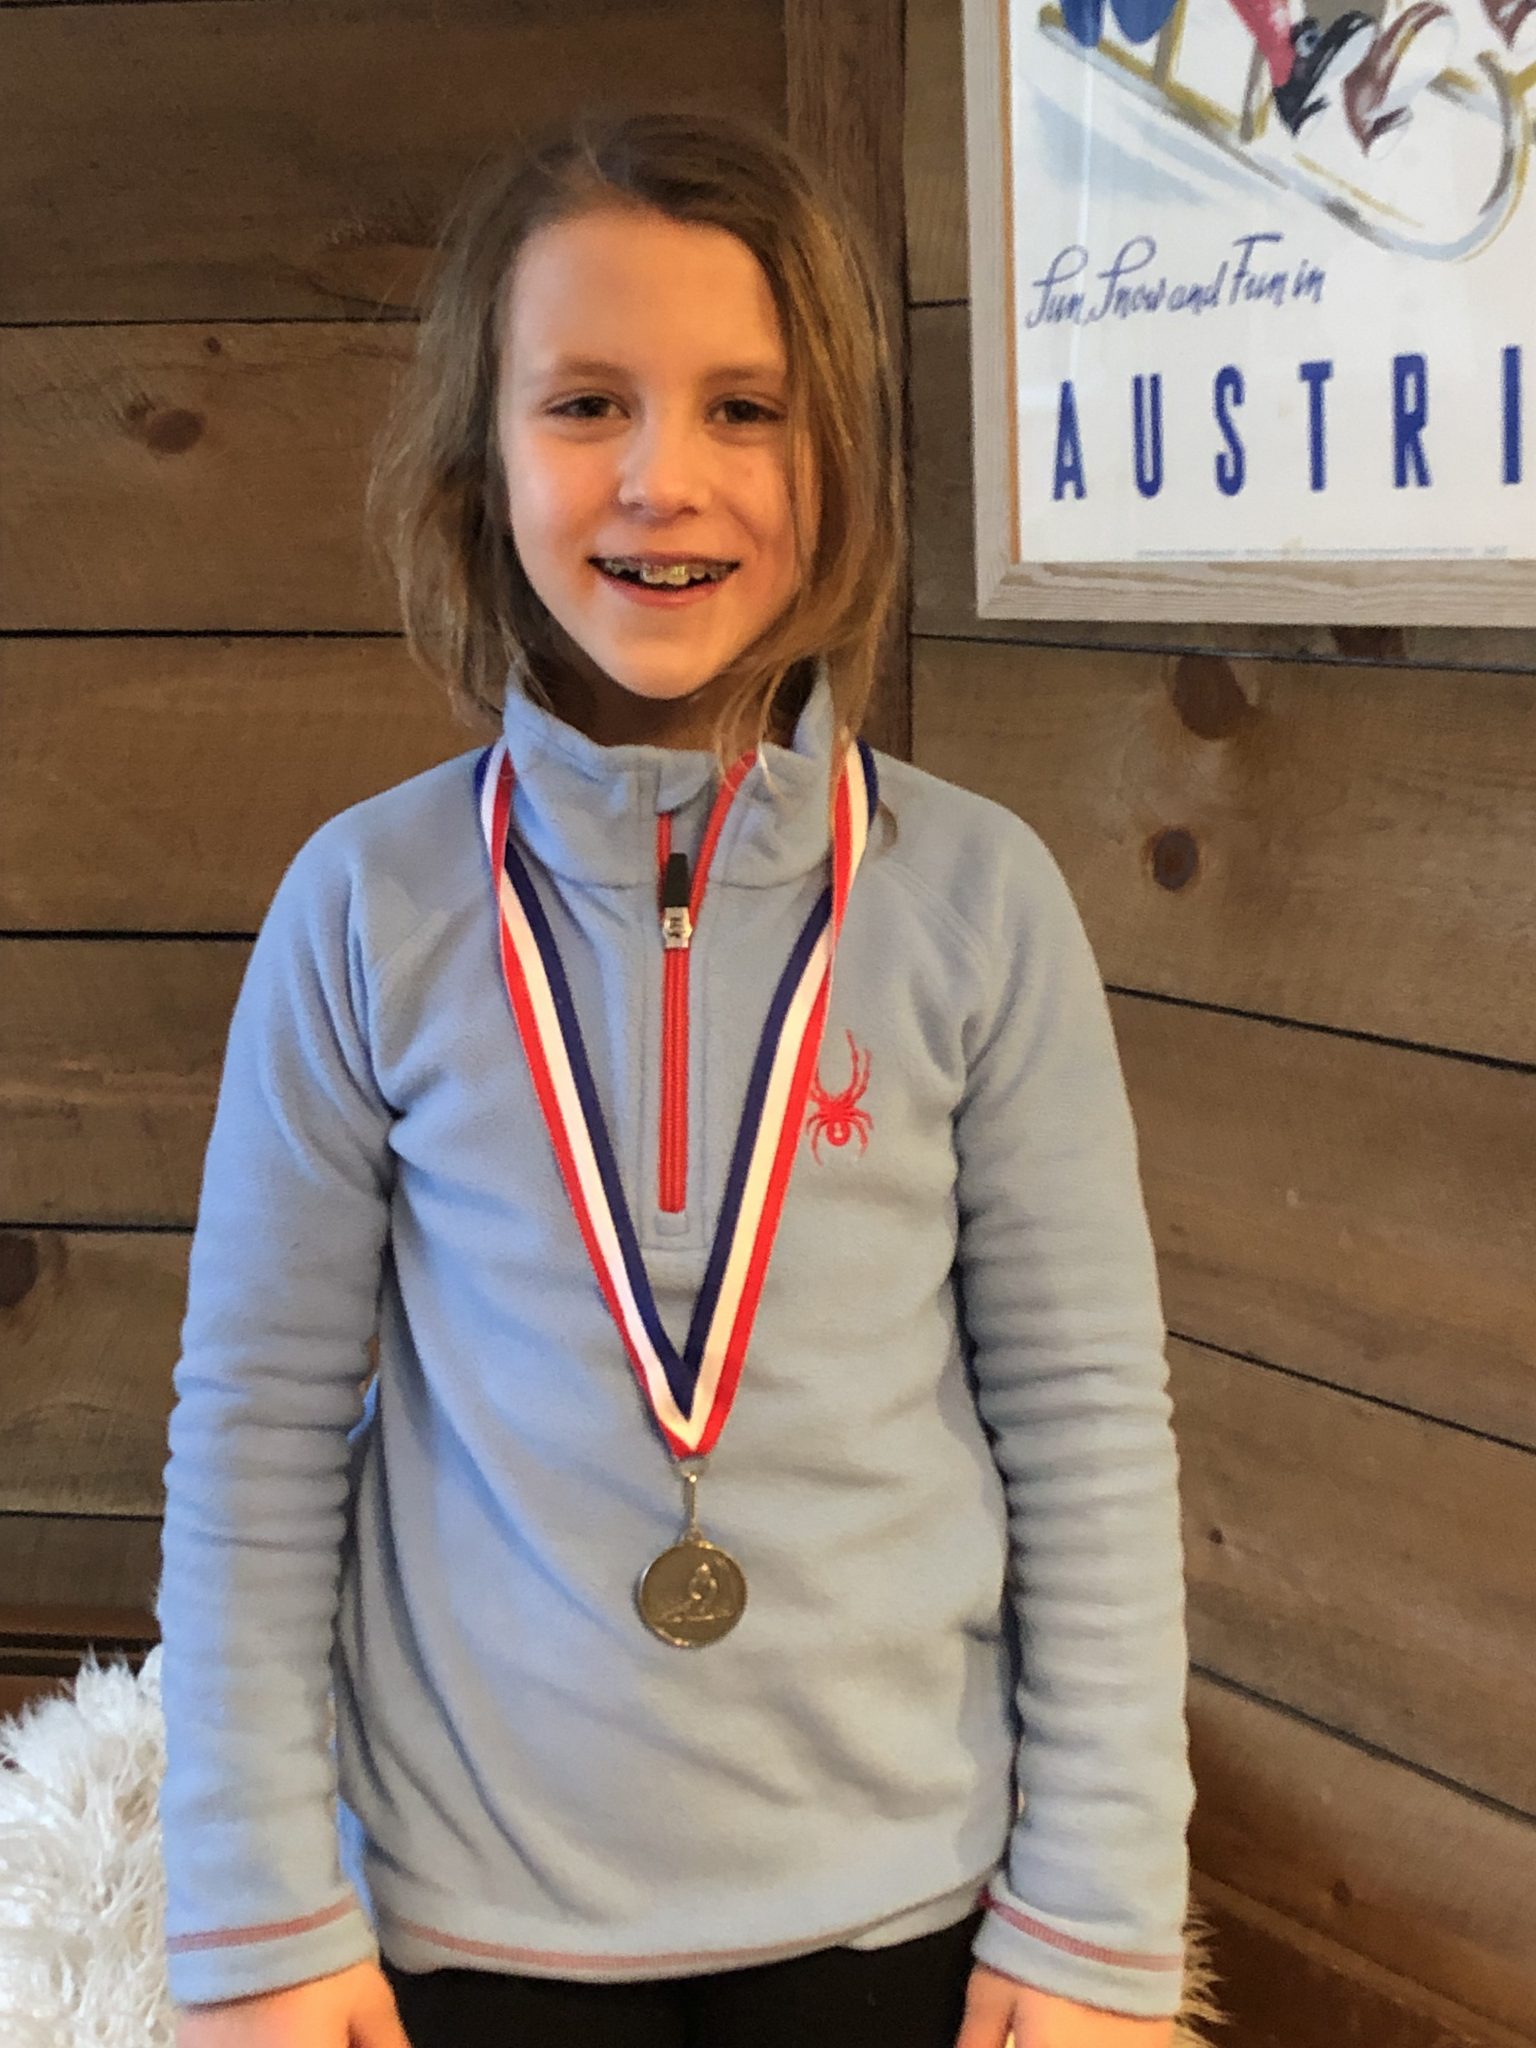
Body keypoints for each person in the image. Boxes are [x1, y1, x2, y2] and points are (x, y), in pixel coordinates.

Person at [156, 106, 1201, 2048]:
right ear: (482, 456)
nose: (664, 477)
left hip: (907, 1912)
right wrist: (255, 1909)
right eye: (585, 405)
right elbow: (257, 1431)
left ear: (840, 454)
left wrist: (1102, 1912)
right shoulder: (365, 907)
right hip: (466, 1922)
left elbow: (1085, 1427)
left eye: (745, 408)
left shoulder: (980, 901)